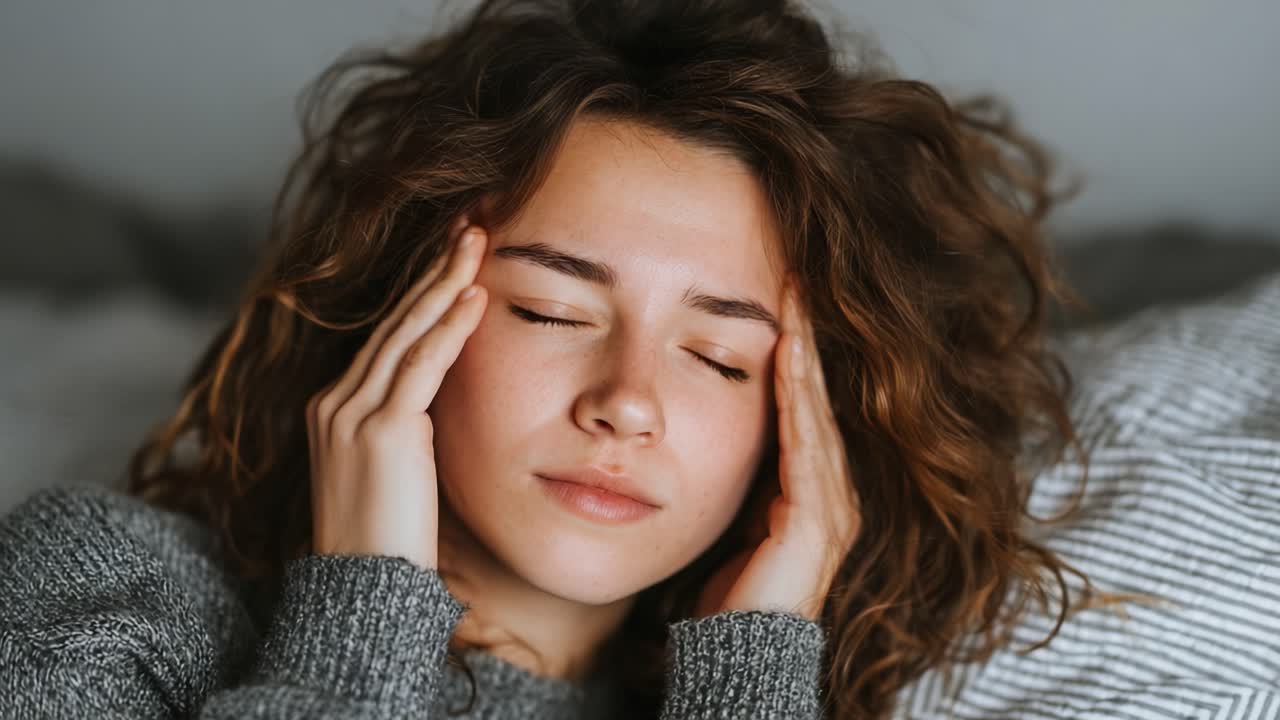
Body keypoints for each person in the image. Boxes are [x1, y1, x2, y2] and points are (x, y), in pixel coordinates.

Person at [0, 0, 1117, 717]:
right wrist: (363, 616)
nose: (627, 403)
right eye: (549, 310)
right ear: (403, 306)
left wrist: (755, 674)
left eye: (719, 358)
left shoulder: (740, 701)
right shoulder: (109, 585)